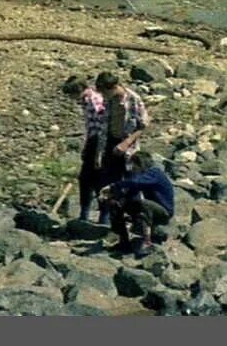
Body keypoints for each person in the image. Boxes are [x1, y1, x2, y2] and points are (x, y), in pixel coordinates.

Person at [99, 151, 174, 256]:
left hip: (163, 212)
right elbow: (131, 190)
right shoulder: (145, 177)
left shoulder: (154, 173)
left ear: (140, 164)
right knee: (116, 204)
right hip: (152, 209)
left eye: (134, 165)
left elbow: (135, 182)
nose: (132, 169)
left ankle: (147, 242)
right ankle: (123, 241)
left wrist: (114, 186)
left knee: (143, 204)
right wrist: (113, 197)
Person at [94, 70, 147, 187]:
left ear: (114, 87)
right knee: (107, 183)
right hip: (110, 143)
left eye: (105, 93)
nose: (103, 96)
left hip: (128, 146)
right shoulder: (108, 100)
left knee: (130, 181)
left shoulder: (133, 99)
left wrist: (126, 143)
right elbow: (103, 126)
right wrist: (99, 153)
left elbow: (143, 125)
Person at [74, 74, 109, 223]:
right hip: (93, 140)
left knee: (95, 179)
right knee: (88, 179)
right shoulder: (86, 100)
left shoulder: (93, 99)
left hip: (99, 141)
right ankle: (89, 214)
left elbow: (102, 123)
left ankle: (102, 216)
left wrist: (98, 152)